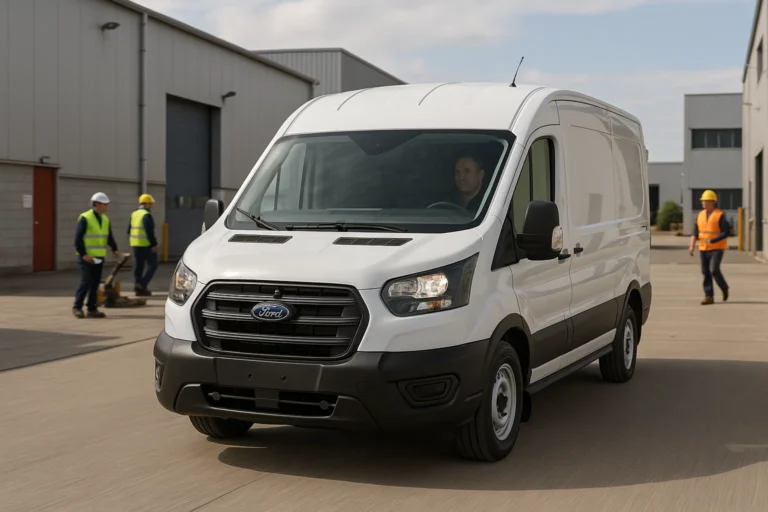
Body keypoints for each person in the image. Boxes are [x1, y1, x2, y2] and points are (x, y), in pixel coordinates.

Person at [73, 192, 120, 318]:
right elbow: (78, 239)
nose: (107, 207)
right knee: (85, 282)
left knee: (95, 283)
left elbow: (109, 236)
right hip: (86, 257)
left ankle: (92, 308)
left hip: (99, 256)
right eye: (105, 204)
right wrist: (83, 254)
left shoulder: (105, 219)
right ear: (97, 204)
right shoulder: (85, 218)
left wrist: (115, 249)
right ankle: (77, 307)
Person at [689, 189, 730, 305]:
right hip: (703, 248)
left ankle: (724, 287)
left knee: (714, 270)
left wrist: (713, 240)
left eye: (706, 201)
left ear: (713, 202)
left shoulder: (720, 215)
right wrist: (691, 246)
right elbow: (695, 232)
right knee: (705, 271)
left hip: (717, 248)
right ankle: (709, 296)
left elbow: (726, 232)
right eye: (703, 201)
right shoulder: (700, 215)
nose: (703, 203)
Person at [128, 194, 158, 296]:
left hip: (135, 244)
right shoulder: (146, 215)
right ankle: (142, 284)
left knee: (138, 266)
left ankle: (138, 288)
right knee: (153, 265)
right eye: (151, 204)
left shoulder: (134, 214)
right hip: (146, 244)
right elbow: (149, 231)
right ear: (147, 204)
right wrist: (153, 244)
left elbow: (129, 230)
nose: (152, 206)